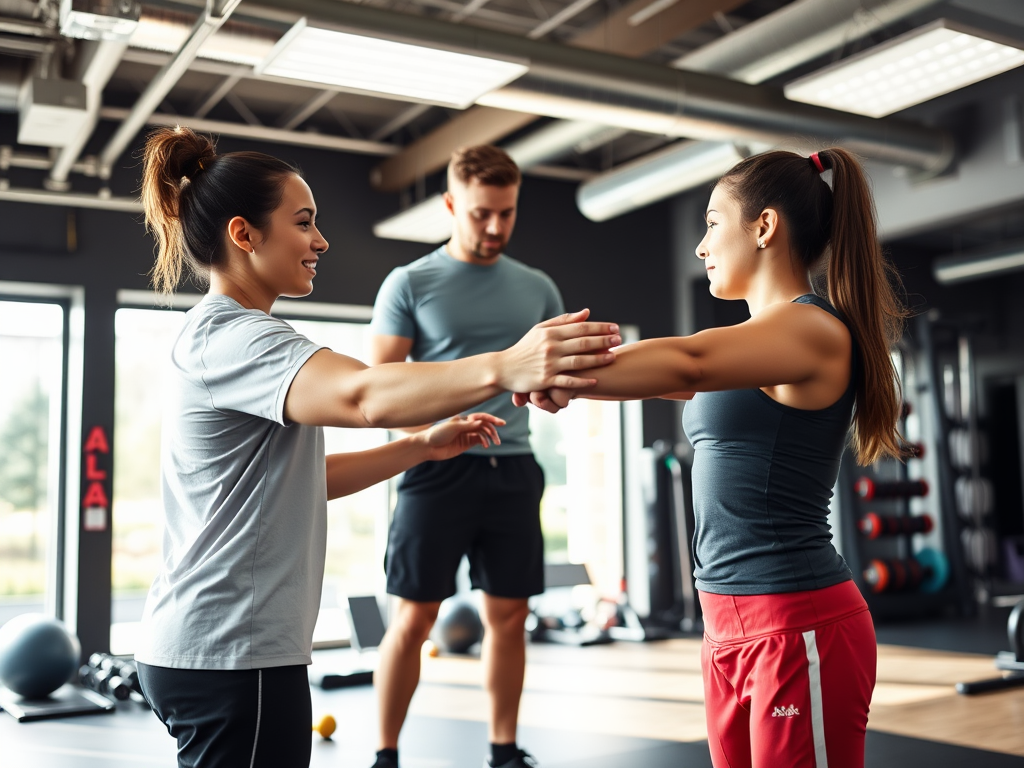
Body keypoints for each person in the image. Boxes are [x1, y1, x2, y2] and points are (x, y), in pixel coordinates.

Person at [131, 126, 621, 768]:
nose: (320, 240)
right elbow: (365, 394)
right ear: (244, 234)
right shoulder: (236, 338)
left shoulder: (235, 335)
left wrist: (419, 447)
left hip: (219, 647)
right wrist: (507, 365)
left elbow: (305, 478)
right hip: (231, 649)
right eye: (303, 222)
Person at [525, 148, 903, 768]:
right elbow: (663, 377)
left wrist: (550, 365)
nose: (701, 246)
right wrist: (559, 379)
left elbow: (687, 361)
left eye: (711, 223)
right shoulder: (752, 354)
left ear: (764, 226)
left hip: (795, 620)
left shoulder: (811, 331)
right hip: (723, 624)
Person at [368, 146, 563, 768]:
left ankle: (503, 751)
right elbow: (379, 389)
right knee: (413, 619)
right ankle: (385, 755)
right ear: (452, 205)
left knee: (509, 617)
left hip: (513, 467)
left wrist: (558, 387)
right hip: (435, 468)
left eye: (507, 212)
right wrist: (432, 431)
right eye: (482, 213)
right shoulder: (410, 283)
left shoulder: (537, 288)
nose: (496, 226)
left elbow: (554, 375)